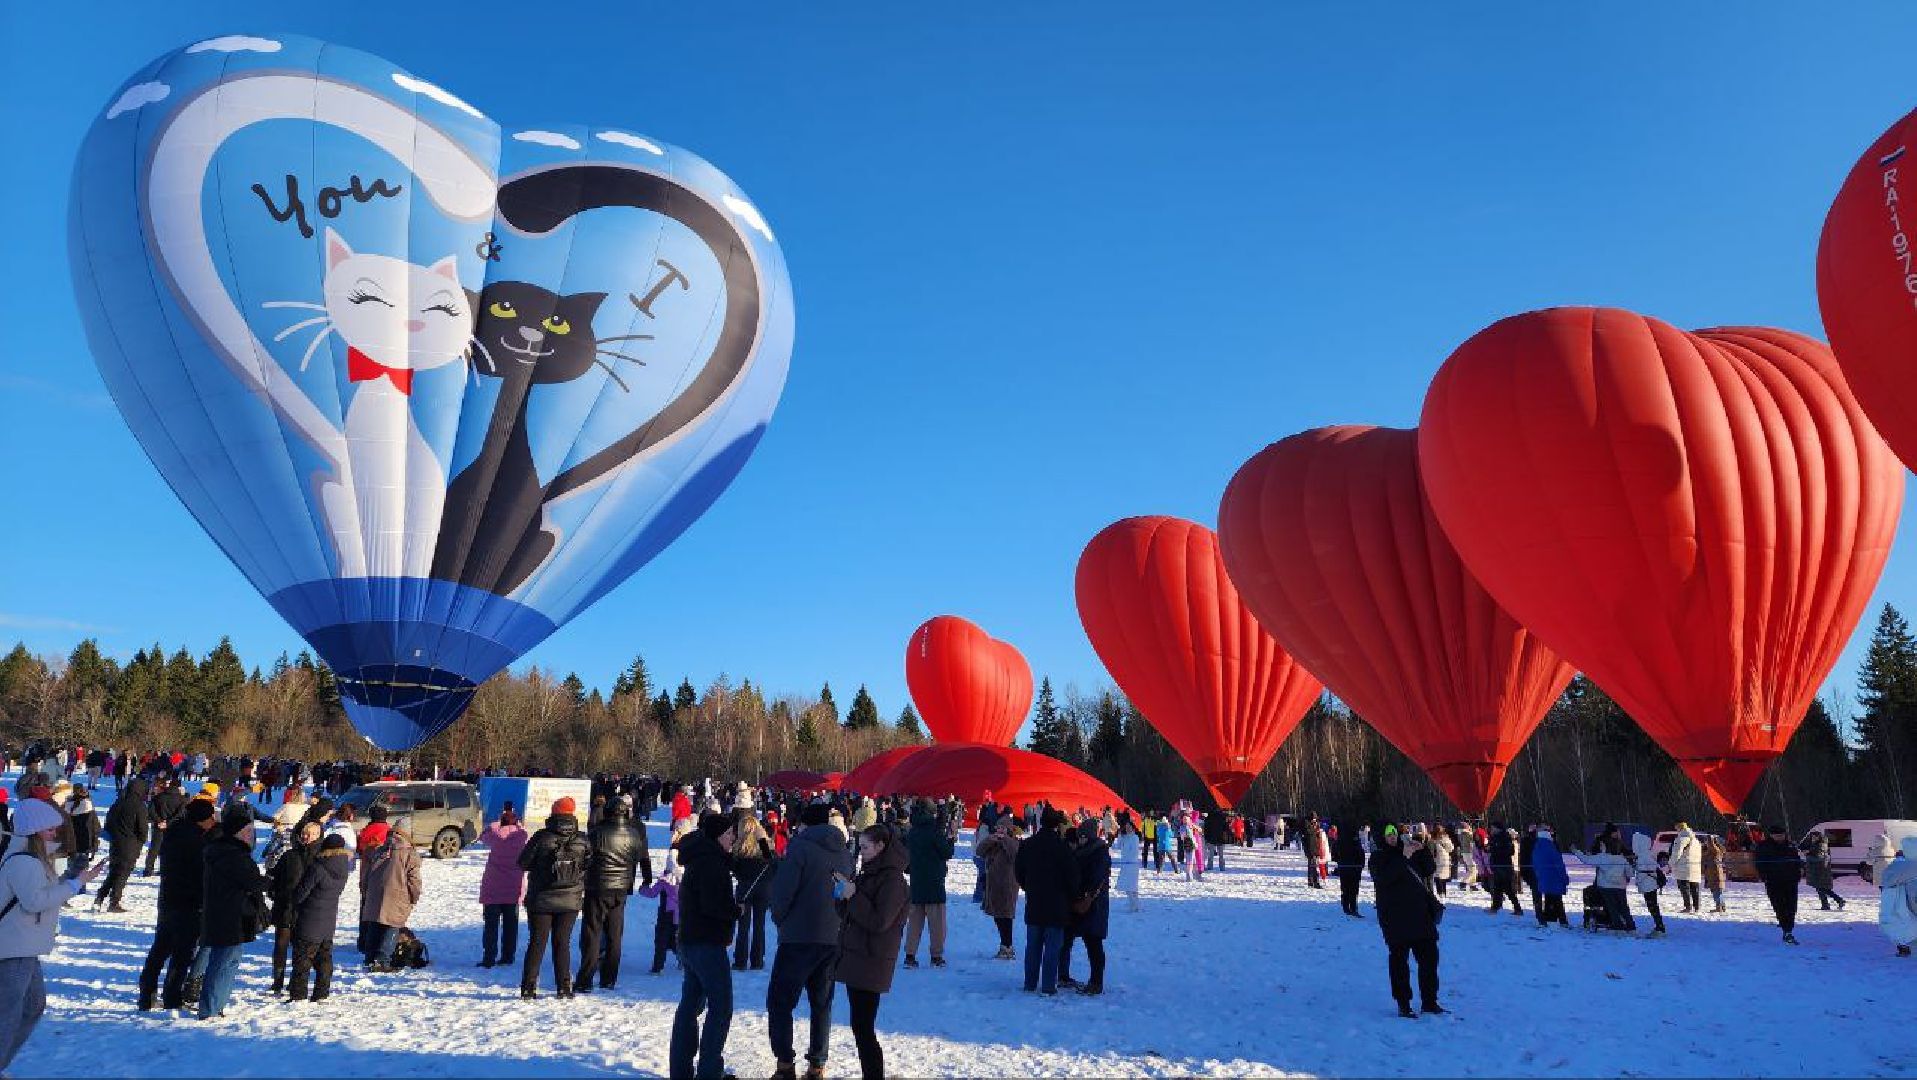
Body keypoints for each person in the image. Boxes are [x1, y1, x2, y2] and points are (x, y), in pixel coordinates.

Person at [0, 797, 104, 1069]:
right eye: (49, 829)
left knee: (33, 1006)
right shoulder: (23, 861)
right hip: (13, 948)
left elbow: (41, 893)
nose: (55, 832)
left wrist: (77, 880)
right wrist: (75, 884)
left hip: (25, 946)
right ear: (34, 831)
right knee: (8, 1015)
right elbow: (34, 901)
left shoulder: (35, 859)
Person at [765, 803, 849, 1080]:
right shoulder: (845, 852)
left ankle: (785, 1063)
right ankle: (817, 1064)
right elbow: (846, 891)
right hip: (832, 935)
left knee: (780, 1001)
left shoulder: (800, 849)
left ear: (805, 824)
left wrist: (781, 920)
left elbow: (783, 892)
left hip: (798, 937)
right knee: (821, 1003)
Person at [835, 824, 909, 1080]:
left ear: (880, 847)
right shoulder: (870, 872)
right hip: (858, 955)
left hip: (872, 959)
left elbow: (880, 921)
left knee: (864, 1028)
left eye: (865, 847)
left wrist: (853, 896)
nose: (861, 852)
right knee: (860, 1027)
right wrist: (843, 895)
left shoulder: (893, 880)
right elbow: (851, 914)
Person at [671, 812, 740, 1080]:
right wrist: (736, 911)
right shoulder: (711, 863)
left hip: (691, 941)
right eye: (729, 834)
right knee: (720, 1007)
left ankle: (682, 1070)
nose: (733, 838)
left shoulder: (704, 856)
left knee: (690, 1005)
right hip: (706, 944)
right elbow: (713, 905)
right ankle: (709, 1071)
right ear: (717, 836)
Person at [137, 799, 217, 1011]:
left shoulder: (174, 833)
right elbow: (201, 873)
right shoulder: (197, 842)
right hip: (188, 903)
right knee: (182, 954)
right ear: (202, 819)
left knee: (160, 948)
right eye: (211, 817)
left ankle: (147, 992)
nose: (214, 821)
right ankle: (172, 996)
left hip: (167, 899)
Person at [198, 801, 268, 1019]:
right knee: (221, 964)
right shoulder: (232, 855)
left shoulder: (225, 851)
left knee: (229, 962)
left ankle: (217, 1005)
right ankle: (209, 1009)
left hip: (228, 914)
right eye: (246, 832)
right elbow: (253, 882)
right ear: (237, 833)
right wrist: (273, 882)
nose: (250, 836)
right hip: (228, 915)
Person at [519, 797, 591, 998]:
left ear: (553, 813)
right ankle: (564, 987)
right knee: (562, 943)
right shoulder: (582, 839)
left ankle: (529, 987)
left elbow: (523, 863)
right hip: (570, 899)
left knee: (537, 942)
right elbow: (588, 865)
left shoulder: (541, 837)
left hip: (541, 898)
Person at [1369, 824, 1443, 1018]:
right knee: (1400, 962)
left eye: (1395, 834)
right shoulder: (1378, 858)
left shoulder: (1408, 851)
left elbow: (1429, 869)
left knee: (1429, 958)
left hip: (1420, 915)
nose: (1392, 838)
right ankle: (1404, 1003)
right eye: (1388, 835)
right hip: (1395, 917)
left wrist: (1422, 848)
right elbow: (1385, 879)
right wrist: (1405, 857)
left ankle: (1430, 1001)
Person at [579, 795, 649, 992]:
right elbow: (638, 857)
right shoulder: (634, 834)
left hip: (597, 887)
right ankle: (609, 978)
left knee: (593, 932)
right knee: (614, 934)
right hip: (621, 888)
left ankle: (585, 979)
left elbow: (586, 858)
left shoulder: (595, 833)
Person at [1014, 809, 1080, 995]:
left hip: (1034, 902)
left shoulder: (1028, 845)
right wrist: (1071, 895)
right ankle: (1049, 986)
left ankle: (1030, 983)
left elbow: (1018, 870)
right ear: (1056, 825)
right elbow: (1072, 877)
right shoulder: (1062, 848)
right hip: (1058, 905)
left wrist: (1028, 887)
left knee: (1033, 946)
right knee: (1052, 948)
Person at [287, 833, 350, 1001]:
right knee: (324, 960)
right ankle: (321, 993)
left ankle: (298, 996)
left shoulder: (318, 867)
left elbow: (300, 894)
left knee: (302, 961)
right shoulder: (343, 868)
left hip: (309, 920)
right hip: (328, 921)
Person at [266, 819, 322, 994]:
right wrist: (275, 893)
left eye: (311, 834)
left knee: (301, 947)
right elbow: (274, 877)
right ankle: (277, 980)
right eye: (305, 833)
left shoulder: (320, 858)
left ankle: (294, 981)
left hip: (307, 909)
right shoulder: (289, 855)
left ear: (318, 836)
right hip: (285, 906)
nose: (307, 837)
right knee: (281, 945)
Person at [1058, 821, 1112, 995]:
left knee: (1093, 943)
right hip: (1076, 903)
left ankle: (1096, 982)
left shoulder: (1100, 852)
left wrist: (1084, 892)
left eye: (1084, 836)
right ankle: (1063, 975)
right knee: (1066, 939)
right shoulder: (1080, 851)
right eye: (1079, 836)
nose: (1081, 839)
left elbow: (1096, 877)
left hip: (1093, 904)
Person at [900, 800, 954, 969]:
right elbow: (947, 852)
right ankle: (936, 956)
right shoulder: (934, 831)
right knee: (937, 924)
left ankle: (910, 955)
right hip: (934, 882)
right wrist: (950, 839)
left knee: (914, 922)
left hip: (916, 881)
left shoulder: (912, 832)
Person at [478, 809, 529, 969]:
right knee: (510, 925)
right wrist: (517, 825)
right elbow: (523, 831)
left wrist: (498, 822)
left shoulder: (495, 835)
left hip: (493, 886)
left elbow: (483, 834)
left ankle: (489, 957)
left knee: (491, 925)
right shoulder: (522, 837)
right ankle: (508, 956)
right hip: (514, 887)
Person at [729, 796, 776, 972]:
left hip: (744, 889)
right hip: (763, 889)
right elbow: (772, 865)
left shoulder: (739, 847)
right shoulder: (764, 846)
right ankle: (757, 960)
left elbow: (733, 867)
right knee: (759, 925)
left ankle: (740, 960)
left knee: (743, 925)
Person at [96, 775, 149, 912]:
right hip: (131, 844)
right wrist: (141, 841)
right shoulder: (140, 806)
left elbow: (108, 822)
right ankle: (114, 902)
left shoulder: (118, 803)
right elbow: (143, 828)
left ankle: (100, 896)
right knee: (122, 874)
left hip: (115, 842)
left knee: (114, 871)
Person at [976, 817, 1023, 956]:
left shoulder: (1014, 842)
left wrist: (1005, 839)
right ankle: (1005, 944)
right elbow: (979, 851)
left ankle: (1007, 946)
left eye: (1002, 828)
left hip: (1007, 885)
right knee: (998, 915)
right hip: (994, 885)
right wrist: (991, 839)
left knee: (1006, 915)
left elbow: (1015, 853)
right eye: (998, 828)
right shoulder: (994, 843)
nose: (999, 831)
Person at [1754, 824, 1804, 945]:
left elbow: (1797, 860)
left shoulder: (1791, 845)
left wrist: (1799, 872)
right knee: (1780, 906)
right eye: (1778, 835)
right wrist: (1765, 877)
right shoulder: (1764, 846)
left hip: (1791, 881)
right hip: (1774, 882)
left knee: (1791, 907)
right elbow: (1759, 863)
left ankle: (1788, 929)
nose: (1780, 837)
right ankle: (1786, 930)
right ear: (1771, 835)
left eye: (1782, 835)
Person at [1878, 837, 1917, 957]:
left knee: (1900, 923)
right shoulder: (1905, 865)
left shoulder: (1899, 866)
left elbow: (1887, 879)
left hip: (1902, 903)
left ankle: (1904, 948)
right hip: (1907, 900)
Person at [144, 777, 186, 877]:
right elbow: (180, 814)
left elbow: (151, 811)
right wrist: (168, 822)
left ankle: (148, 869)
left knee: (154, 848)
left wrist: (159, 821)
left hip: (158, 827)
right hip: (174, 827)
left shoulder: (158, 797)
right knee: (170, 849)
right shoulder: (181, 799)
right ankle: (166, 868)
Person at [1530, 826, 1571, 927]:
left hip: (1543, 877)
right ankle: (1562, 921)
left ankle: (1549, 919)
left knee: (1549, 898)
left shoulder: (1536, 847)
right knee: (1557, 900)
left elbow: (1535, 864)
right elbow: (1559, 864)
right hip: (1555, 878)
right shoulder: (1551, 847)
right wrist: (1564, 878)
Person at [1629, 832, 1667, 935]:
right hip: (1650, 885)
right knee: (1653, 906)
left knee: (1652, 906)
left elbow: (1642, 872)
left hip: (1649, 886)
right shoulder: (1646, 855)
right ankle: (1659, 926)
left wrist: (1638, 880)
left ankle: (1660, 927)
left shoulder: (1643, 857)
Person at [1800, 830, 1846, 911]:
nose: (1813, 838)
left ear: (1819, 837)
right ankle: (1827, 904)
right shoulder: (1816, 845)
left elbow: (1819, 858)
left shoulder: (1821, 845)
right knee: (1820, 888)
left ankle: (1837, 900)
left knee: (1822, 888)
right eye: (1812, 837)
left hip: (1821, 871)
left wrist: (1808, 855)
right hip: (1818, 870)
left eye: (1815, 837)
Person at [1487, 823, 1524, 916]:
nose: (1491, 830)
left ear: (1497, 829)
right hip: (1497, 865)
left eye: (1493, 828)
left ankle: (1517, 908)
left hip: (1504, 865)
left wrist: (1495, 849)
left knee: (1507, 889)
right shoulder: (1494, 837)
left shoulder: (1504, 837)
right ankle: (1495, 907)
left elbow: (1510, 851)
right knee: (1497, 888)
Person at [1331, 821, 1366, 918]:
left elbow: (1334, 852)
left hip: (1344, 866)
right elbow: (1360, 852)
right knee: (1353, 889)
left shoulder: (1340, 839)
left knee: (1345, 888)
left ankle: (1346, 907)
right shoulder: (1355, 838)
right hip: (1354, 867)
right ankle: (1353, 908)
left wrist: (1338, 861)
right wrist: (1361, 864)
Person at [1668, 823, 1703, 913]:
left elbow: (1676, 853)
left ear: (1680, 829)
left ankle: (1688, 907)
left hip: (1683, 868)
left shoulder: (1681, 839)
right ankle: (1697, 907)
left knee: (1684, 888)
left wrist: (1671, 864)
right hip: (1695, 868)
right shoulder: (1696, 840)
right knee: (1695, 889)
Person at [1112, 814, 1141, 912]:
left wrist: (1129, 860)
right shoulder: (1124, 837)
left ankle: (1134, 905)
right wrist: (1119, 835)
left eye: (1129, 826)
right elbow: (1118, 847)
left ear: (1133, 827)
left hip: (1132, 865)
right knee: (1127, 886)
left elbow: (1134, 852)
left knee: (1132, 886)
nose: (1128, 828)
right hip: (1125, 865)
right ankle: (1133, 904)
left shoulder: (1135, 838)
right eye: (1126, 826)